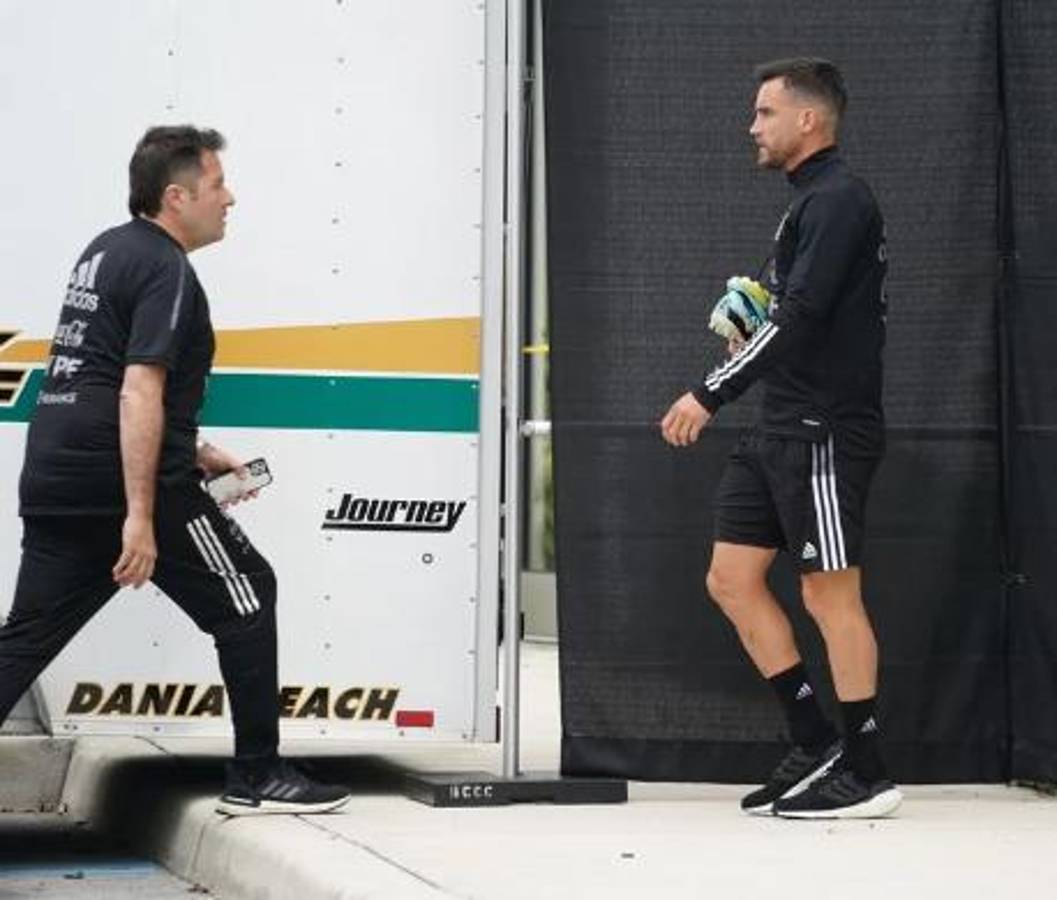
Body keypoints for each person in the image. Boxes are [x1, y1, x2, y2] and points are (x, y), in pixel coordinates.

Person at [0, 125, 351, 816]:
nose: (230, 199)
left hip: (60, 473)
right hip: (125, 484)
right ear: (176, 196)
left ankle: (258, 771)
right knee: (248, 592)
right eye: (218, 185)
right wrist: (139, 516)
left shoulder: (106, 251)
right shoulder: (166, 269)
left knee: (26, 638)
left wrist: (197, 450)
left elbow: (97, 381)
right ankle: (257, 775)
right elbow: (136, 389)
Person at [661, 59, 902, 818]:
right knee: (730, 579)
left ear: (807, 120)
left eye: (764, 112)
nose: (751, 126)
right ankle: (813, 738)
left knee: (828, 595)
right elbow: (783, 315)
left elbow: (799, 321)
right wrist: (746, 321)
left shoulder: (838, 200)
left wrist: (710, 389)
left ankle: (866, 771)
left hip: (823, 432)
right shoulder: (805, 205)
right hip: (775, 428)